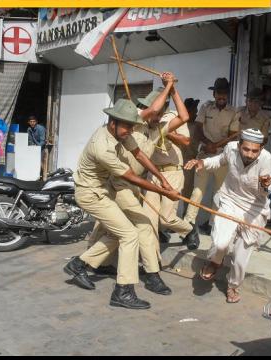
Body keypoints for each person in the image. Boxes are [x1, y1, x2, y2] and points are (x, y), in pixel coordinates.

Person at [62, 97, 180, 310]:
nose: (129, 130)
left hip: (103, 190)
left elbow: (139, 154)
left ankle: (78, 265)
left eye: (132, 125)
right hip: (91, 194)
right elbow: (131, 176)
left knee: (118, 233)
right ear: (112, 122)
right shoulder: (103, 147)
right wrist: (164, 191)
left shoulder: (120, 132)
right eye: (126, 125)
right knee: (130, 234)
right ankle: (123, 291)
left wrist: (162, 179)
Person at [83, 73, 191, 296]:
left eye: (159, 112)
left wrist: (173, 91)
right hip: (119, 183)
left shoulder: (156, 129)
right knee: (132, 228)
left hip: (131, 185)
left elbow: (183, 117)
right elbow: (150, 110)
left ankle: (84, 265)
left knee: (115, 228)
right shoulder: (134, 123)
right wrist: (168, 84)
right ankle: (148, 274)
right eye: (154, 110)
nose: (155, 114)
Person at [185, 129, 271, 303]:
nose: (249, 154)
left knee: (241, 256)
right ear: (240, 145)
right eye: (246, 149)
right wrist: (202, 162)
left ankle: (233, 286)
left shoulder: (266, 159)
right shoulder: (230, 148)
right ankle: (214, 262)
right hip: (230, 200)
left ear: (261, 149)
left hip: (254, 208)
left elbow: (266, 192)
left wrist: (265, 185)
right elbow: (219, 160)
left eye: (254, 151)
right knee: (220, 243)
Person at [140, 89, 200, 251]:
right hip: (153, 172)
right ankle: (151, 261)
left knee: (167, 218)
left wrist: (165, 132)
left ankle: (189, 229)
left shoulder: (172, 117)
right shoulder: (146, 116)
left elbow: (186, 141)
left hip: (172, 171)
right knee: (148, 217)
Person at [183, 78, 237, 235]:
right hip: (204, 154)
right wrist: (207, 144)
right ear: (214, 94)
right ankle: (189, 224)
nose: (222, 97)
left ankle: (212, 224)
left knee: (219, 192)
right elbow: (198, 129)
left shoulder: (233, 112)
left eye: (224, 94)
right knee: (197, 190)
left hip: (222, 156)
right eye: (219, 94)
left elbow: (233, 136)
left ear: (228, 95)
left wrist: (217, 145)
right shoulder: (206, 108)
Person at [181, 98, 200, 202]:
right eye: (194, 110)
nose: (196, 113)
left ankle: (184, 214)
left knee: (188, 191)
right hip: (179, 161)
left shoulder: (198, 125)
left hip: (190, 161)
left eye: (196, 110)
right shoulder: (179, 124)